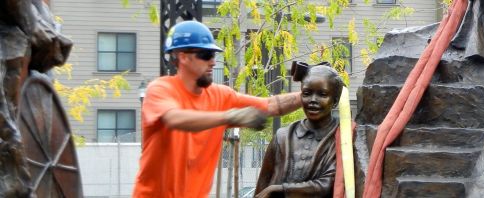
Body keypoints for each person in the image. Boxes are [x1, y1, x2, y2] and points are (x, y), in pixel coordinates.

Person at [133, 20, 304, 197]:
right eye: (207, 55)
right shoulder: (160, 89)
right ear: (183, 56)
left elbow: (272, 105)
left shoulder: (220, 95)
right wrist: (230, 117)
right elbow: (173, 119)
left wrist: (309, 93)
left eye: (214, 55)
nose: (214, 62)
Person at [254, 64, 347, 198]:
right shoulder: (282, 137)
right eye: (307, 93)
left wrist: (280, 189)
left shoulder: (343, 137)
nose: (313, 100)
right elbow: (262, 186)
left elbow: (328, 184)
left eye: (322, 94)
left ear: (335, 101)